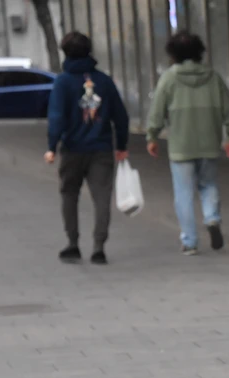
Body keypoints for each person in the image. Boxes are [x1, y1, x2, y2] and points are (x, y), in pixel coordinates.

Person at [146, 31, 229, 255]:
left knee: (183, 193)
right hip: (209, 143)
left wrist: (152, 136)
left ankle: (189, 241)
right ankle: (212, 218)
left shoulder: (169, 78)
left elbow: (157, 111)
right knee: (208, 184)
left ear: (173, 54)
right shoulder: (213, 77)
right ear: (200, 52)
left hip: (181, 145)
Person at [45, 31, 129, 265]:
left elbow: (57, 117)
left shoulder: (62, 82)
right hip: (101, 148)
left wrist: (52, 146)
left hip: (72, 148)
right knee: (102, 197)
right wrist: (121, 145)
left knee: (69, 193)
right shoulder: (104, 80)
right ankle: (99, 247)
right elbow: (120, 117)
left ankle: (73, 244)